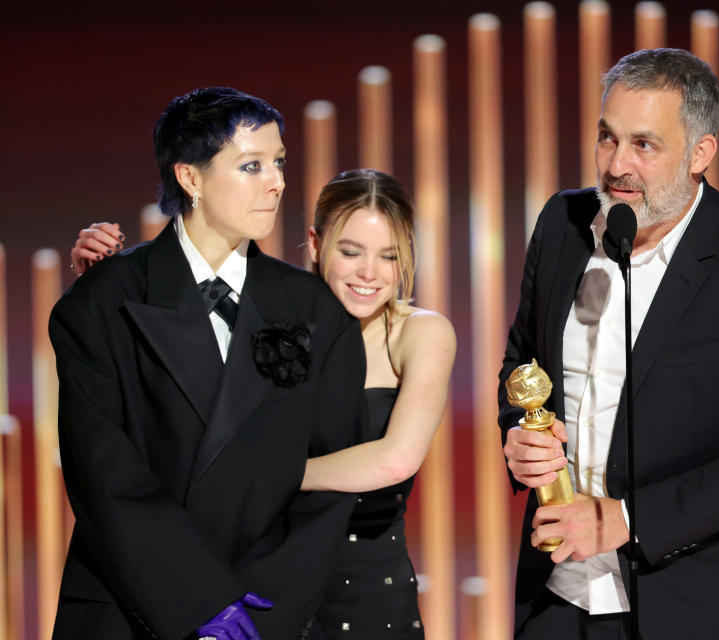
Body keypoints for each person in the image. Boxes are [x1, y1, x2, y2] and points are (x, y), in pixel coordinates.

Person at [498, 48, 719, 639]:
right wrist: (517, 435)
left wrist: (627, 519)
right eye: (607, 137)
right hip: (555, 598)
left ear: (701, 152)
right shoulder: (563, 225)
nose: (617, 164)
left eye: (644, 145)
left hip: (695, 606)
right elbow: (523, 360)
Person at [71, 169, 456, 638]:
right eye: (350, 252)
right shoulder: (262, 313)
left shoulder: (420, 333)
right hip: (251, 580)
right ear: (315, 243)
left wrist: (265, 473)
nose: (369, 273)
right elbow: (180, 402)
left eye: (389, 256)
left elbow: (395, 459)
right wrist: (114, 281)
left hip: (366, 588)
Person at [49, 87, 367, 640]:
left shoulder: (314, 308)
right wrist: (201, 602)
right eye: (251, 166)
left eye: (279, 163)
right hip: (127, 604)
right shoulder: (105, 301)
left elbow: (334, 476)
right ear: (190, 179)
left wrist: (257, 612)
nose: (278, 182)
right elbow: (103, 474)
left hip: (265, 613)